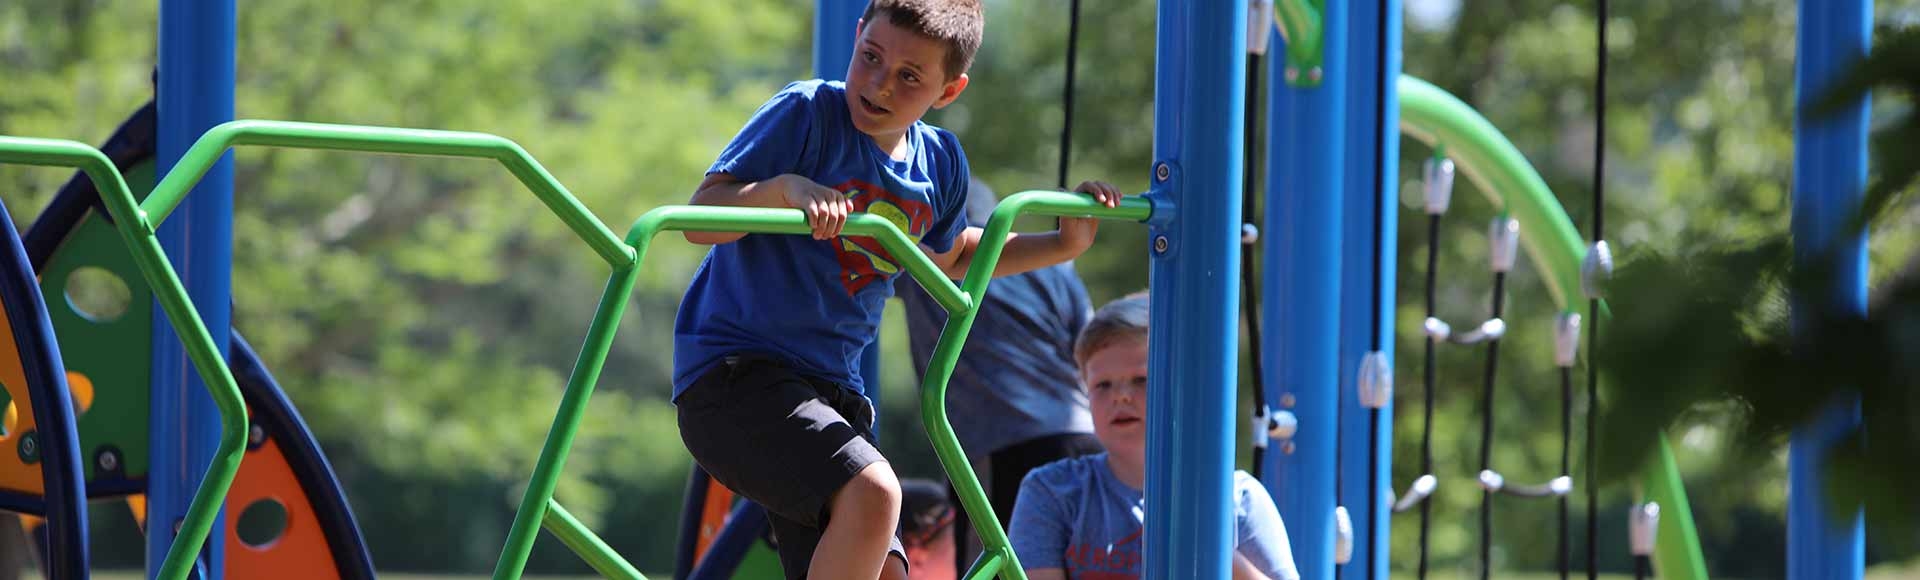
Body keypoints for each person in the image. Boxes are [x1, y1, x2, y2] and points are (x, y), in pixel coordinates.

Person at [670, 0, 1124, 577]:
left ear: (948, 90)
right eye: (871, 57)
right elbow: (700, 217)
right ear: (857, 37)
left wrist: (1061, 245)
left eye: (909, 76)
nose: (880, 84)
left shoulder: (938, 163)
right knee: (876, 494)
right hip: (738, 377)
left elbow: (953, 257)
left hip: (836, 390)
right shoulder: (809, 113)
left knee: (885, 569)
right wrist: (782, 189)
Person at [1008, 293, 1300, 580]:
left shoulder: (1237, 499)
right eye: (1103, 385)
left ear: (1184, 389)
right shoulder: (1053, 491)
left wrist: (1211, 544)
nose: (1121, 397)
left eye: (1141, 380)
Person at [897, 178, 1103, 574]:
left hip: (1004, 444)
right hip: (1084, 434)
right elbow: (1088, 346)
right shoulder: (1052, 266)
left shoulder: (928, 254)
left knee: (996, 566)